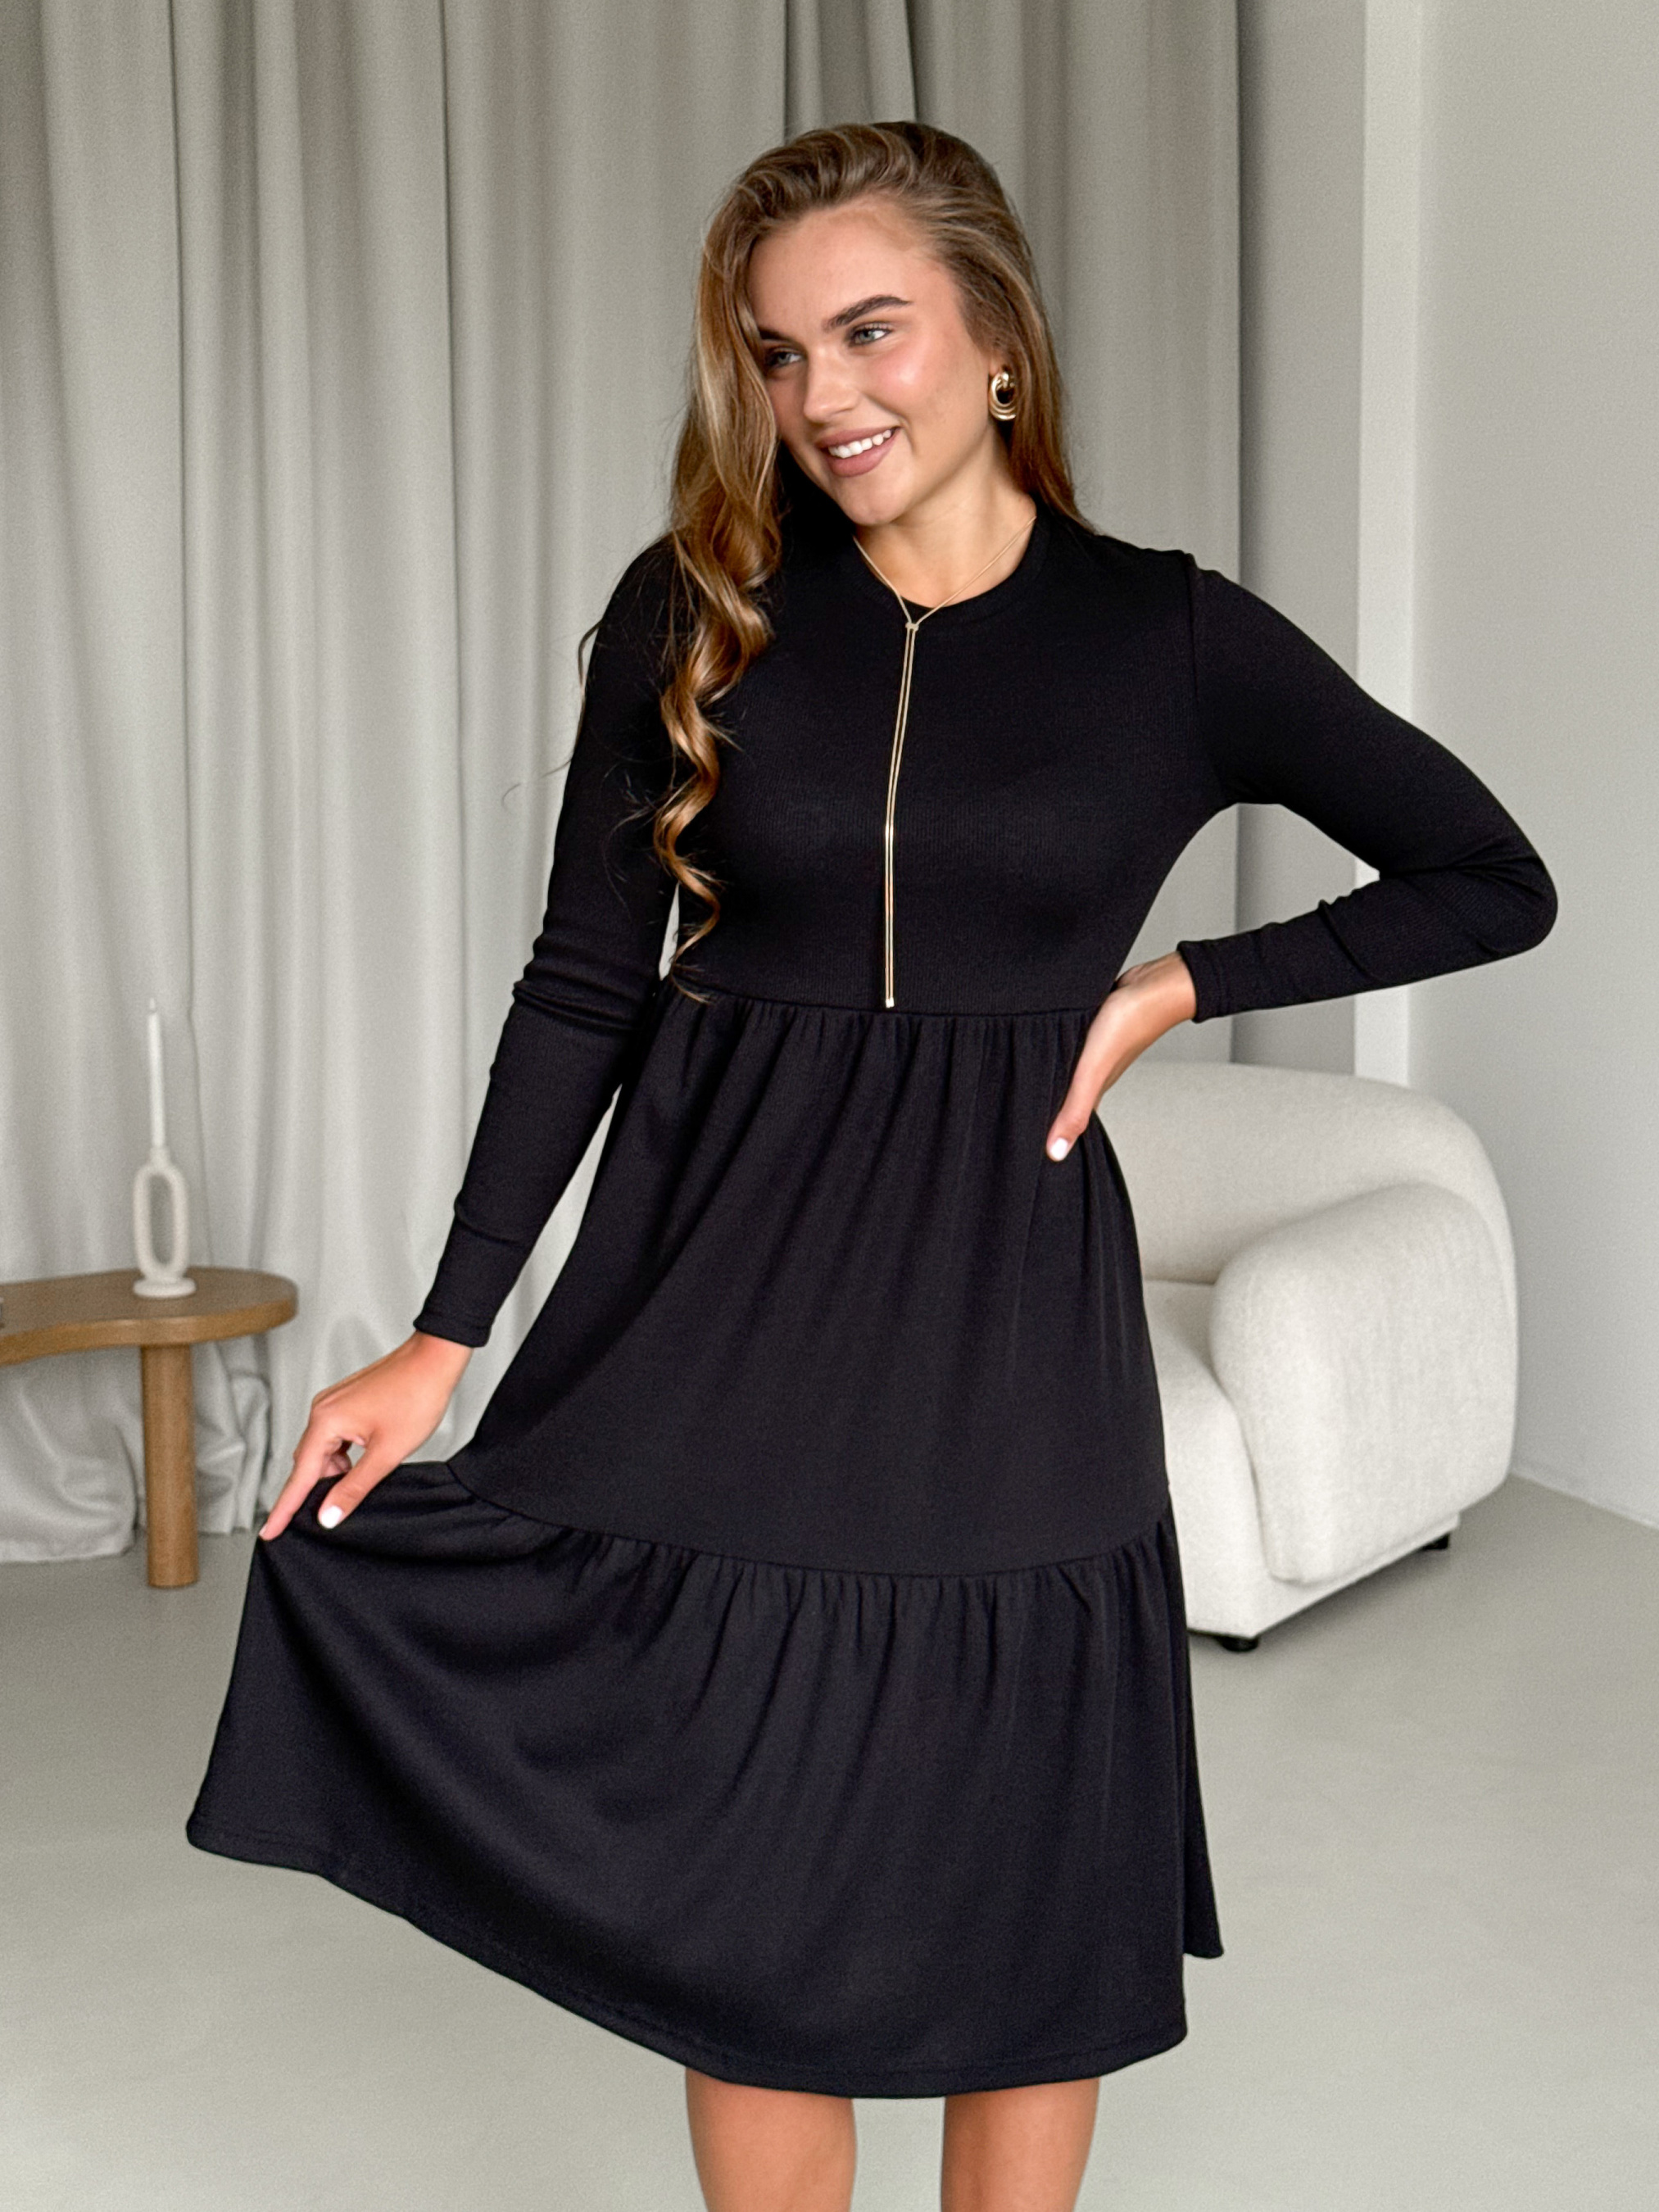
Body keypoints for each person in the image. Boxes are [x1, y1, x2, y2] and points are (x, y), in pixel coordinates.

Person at [188, 122, 1557, 2212]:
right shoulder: (698, 610)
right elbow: (583, 984)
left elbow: (1487, 873)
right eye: (774, 352)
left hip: (1004, 1313)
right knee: (747, 1883)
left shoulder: (1169, 638)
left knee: (1026, 1881)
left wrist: (1180, 984)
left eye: (868, 330)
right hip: (713, 1298)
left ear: (995, 339)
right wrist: (443, 1333)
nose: (819, 395)